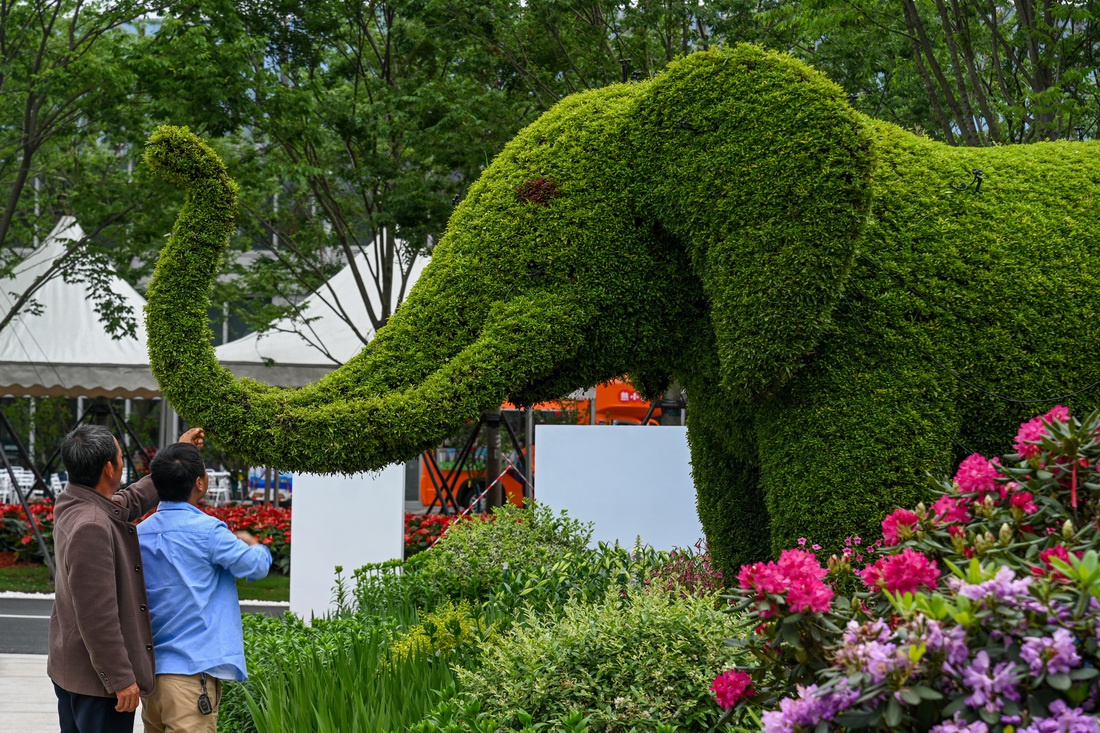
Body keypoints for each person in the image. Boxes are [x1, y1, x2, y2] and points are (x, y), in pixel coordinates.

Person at [48, 424, 205, 733]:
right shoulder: (92, 526)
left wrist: (178, 454)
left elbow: (131, 499)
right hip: (99, 687)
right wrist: (120, 678)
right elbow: (97, 616)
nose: (123, 462)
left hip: (75, 671)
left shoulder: (75, 503)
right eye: (121, 457)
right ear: (109, 468)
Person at [137, 442, 271, 733]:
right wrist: (255, 544)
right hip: (190, 678)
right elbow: (255, 567)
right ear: (200, 483)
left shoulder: (139, 533)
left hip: (152, 676)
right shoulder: (208, 531)